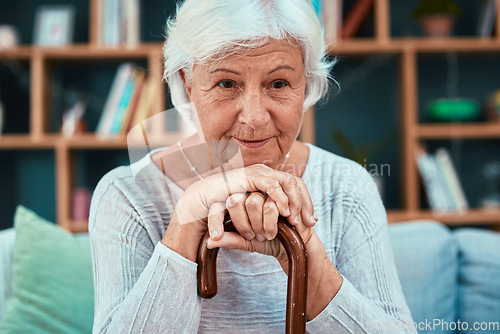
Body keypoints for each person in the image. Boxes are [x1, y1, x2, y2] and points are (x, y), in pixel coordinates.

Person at [89, 0, 417, 333]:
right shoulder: (128, 195)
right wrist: (188, 221)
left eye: (278, 84)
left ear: (306, 82)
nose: (254, 117)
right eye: (226, 84)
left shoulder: (347, 186)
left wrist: (307, 261)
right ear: (187, 83)